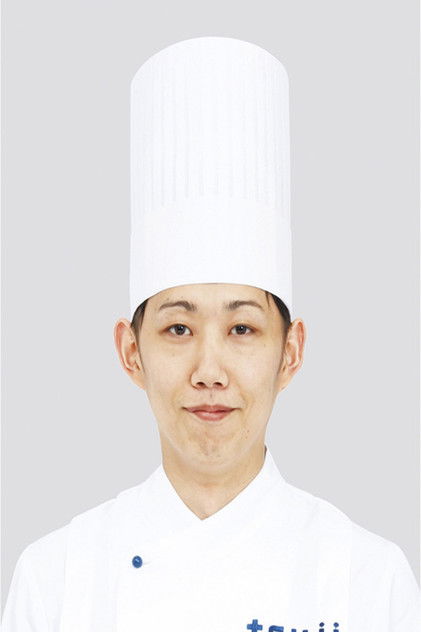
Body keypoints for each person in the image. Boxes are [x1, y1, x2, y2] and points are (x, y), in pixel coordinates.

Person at [2, 36, 420, 632]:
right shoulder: (56, 581)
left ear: (291, 352)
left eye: (242, 327)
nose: (209, 370)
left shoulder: (370, 582)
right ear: (130, 351)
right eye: (178, 327)